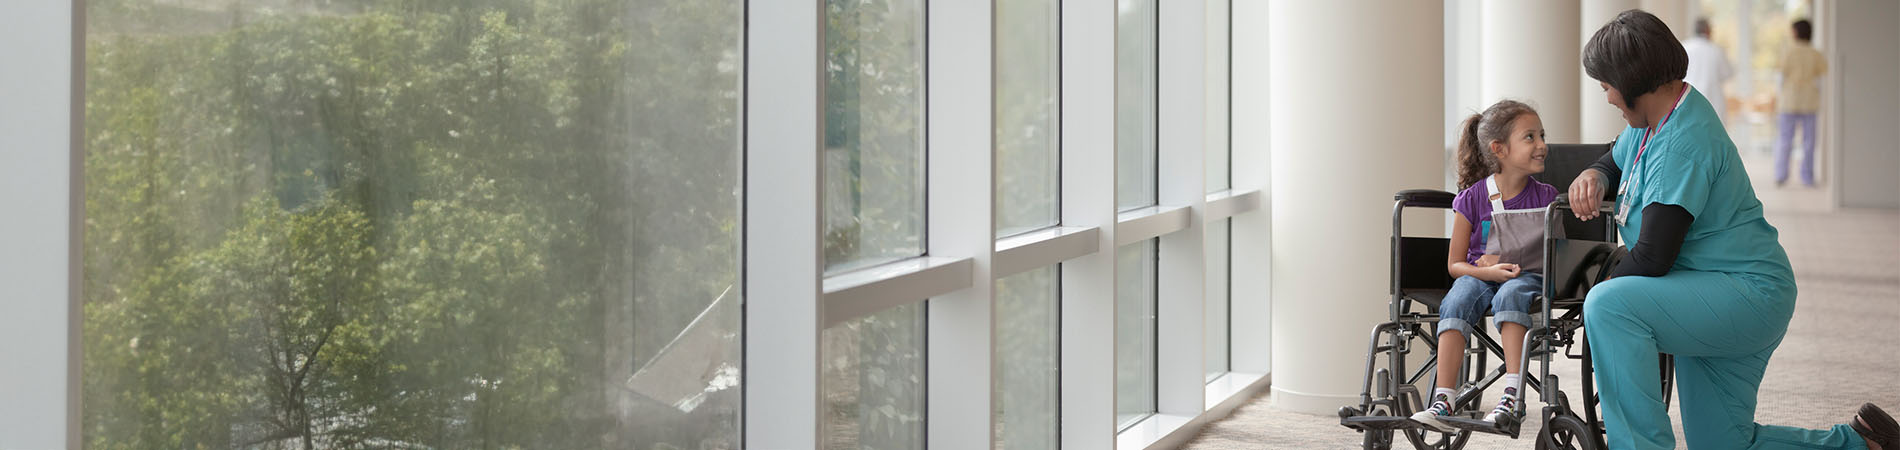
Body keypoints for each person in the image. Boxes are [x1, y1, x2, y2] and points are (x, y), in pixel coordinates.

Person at [1571, 9, 1896, 450]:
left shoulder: (1682, 141)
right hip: (1714, 291)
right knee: (1721, 444)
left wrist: (1592, 302)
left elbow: (1651, 258)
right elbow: (1616, 156)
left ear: (1631, 80)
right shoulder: (1659, 117)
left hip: (1742, 295)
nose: (1607, 96)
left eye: (1606, 85)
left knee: (1609, 305)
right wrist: (1595, 174)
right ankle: (1862, 445)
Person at [1409, 99, 1556, 432]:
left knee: (1512, 294)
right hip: (1479, 275)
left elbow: (1554, 257)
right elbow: (1456, 265)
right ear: (1499, 149)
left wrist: (1509, 263)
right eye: (1530, 137)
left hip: (1527, 276)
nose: (1542, 145)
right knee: (1459, 296)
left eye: (1542, 135)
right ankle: (1443, 399)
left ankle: (1511, 398)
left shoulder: (1548, 198)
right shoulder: (1472, 198)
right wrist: (1486, 272)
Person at [1775, 18, 1827, 187]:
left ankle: (1781, 176)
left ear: (1795, 32)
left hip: (1789, 101)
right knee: (1809, 142)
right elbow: (1821, 79)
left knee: (1785, 139)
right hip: (1810, 101)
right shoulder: (1816, 53)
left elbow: (1781, 78)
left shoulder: (1788, 52)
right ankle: (1807, 177)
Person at [1682, 18, 1735, 125]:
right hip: (1713, 101)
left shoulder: (1684, 47)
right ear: (1708, 31)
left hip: (1688, 101)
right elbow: (1728, 73)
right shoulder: (1716, 50)